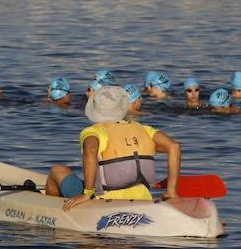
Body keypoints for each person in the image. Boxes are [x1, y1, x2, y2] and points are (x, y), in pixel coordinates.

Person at [44, 85, 180, 211]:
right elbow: (174, 146)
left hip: (106, 203)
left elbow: (90, 150)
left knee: (57, 171)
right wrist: (171, 192)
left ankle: (55, 213)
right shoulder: (143, 129)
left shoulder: (95, 131)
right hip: (143, 199)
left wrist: (87, 193)